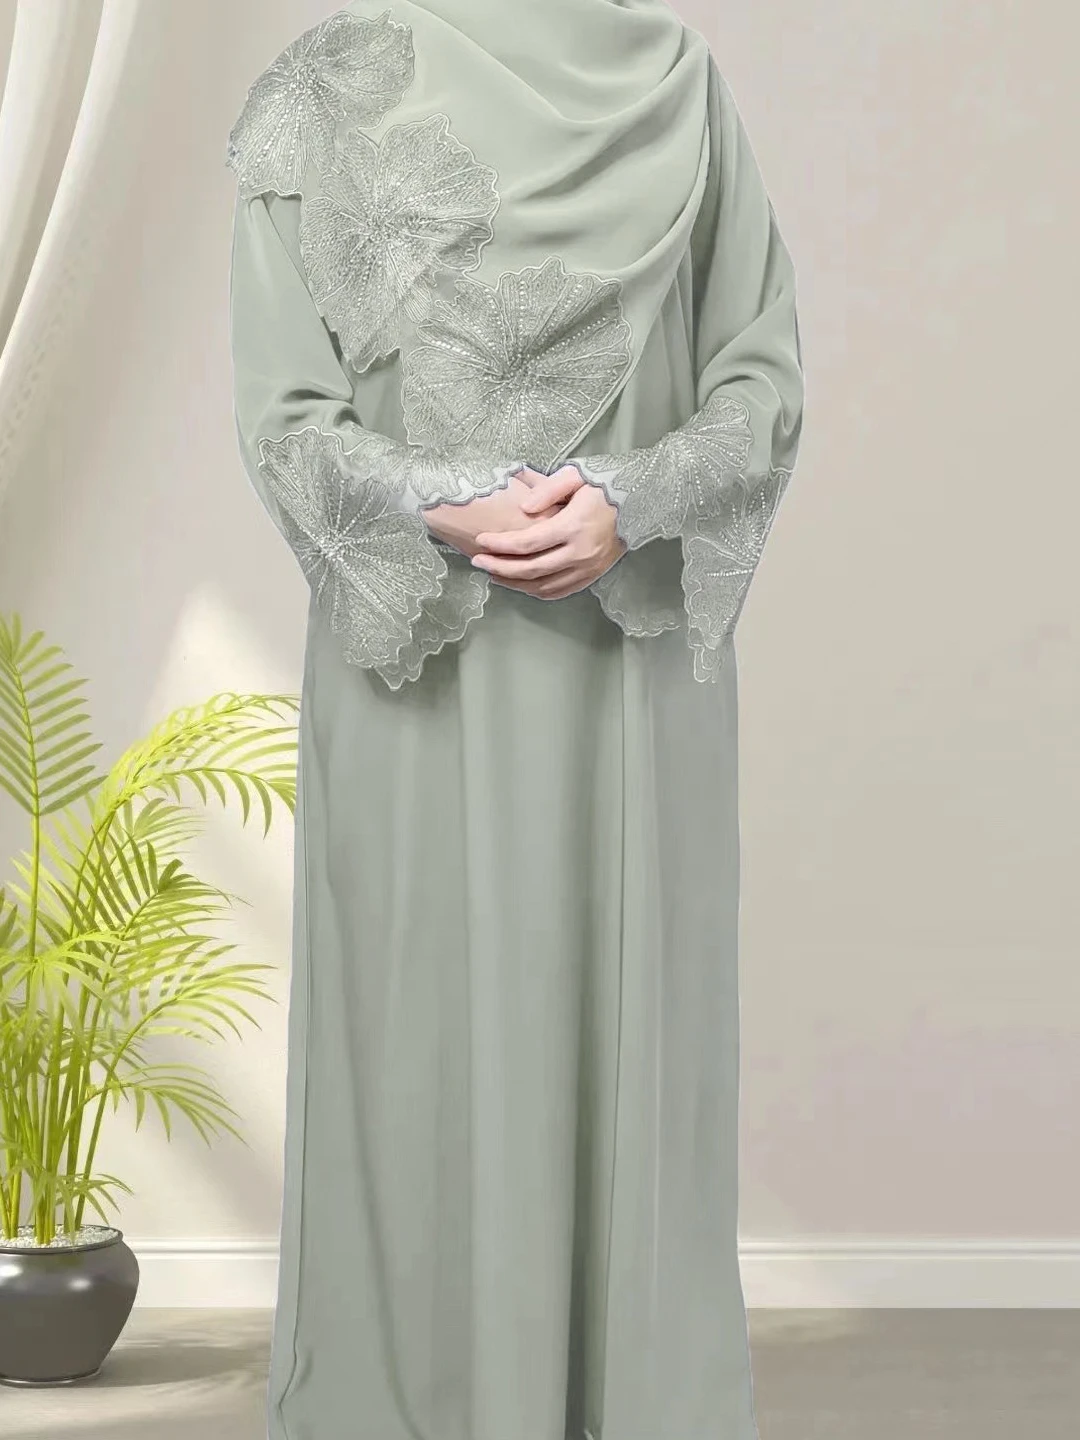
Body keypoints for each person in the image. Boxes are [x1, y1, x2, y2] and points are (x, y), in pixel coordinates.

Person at [227, 2, 803, 1438]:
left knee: (626, 1048)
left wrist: (634, 500)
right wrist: (448, 502)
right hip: (424, 689)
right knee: (414, 1051)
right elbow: (285, 420)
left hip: (624, 696)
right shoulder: (329, 90)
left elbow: (760, 384)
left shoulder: (680, 85)